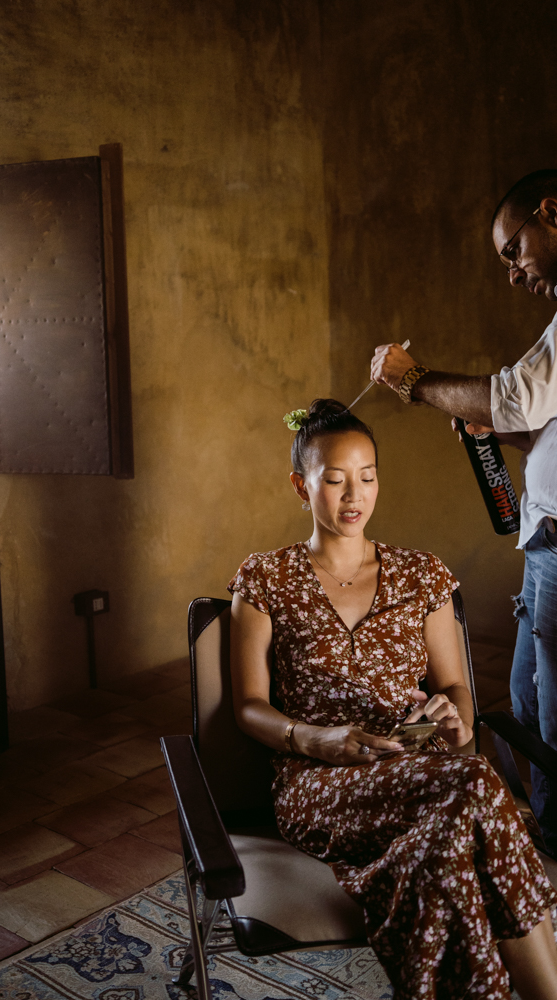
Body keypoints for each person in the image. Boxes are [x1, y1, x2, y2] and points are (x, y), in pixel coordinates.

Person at [228, 398, 557, 1000]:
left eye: (367, 477)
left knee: (444, 845)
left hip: (420, 768)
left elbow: (454, 689)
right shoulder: (265, 578)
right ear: (301, 487)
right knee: (479, 785)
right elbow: (247, 705)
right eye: (333, 480)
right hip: (317, 780)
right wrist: (316, 739)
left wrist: (450, 715)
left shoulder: (421, 574)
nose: (354, 495)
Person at [370, 169, 557, 862]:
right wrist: (501, 435)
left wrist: (414, 382)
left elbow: (512, 397)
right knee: (529, 707)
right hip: (545, 544)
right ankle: (537, 845)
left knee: (553, 721)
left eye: (514, 250)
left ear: (551, 211)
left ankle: (548, 878)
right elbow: (535, 423)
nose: (513, 273)